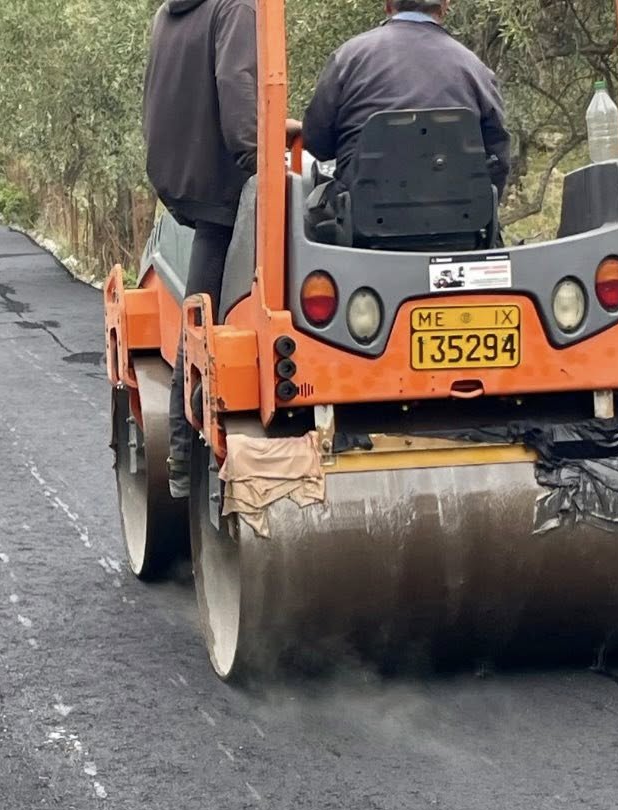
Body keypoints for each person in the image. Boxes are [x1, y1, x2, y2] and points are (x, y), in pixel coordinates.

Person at [143, 0, 300, 498]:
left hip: (186, 178)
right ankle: (185, 458)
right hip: (223, 188)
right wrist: (264, 157)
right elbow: (237, 90)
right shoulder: (235, 5)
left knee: (200, 307)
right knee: (205, 323)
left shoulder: (169, 14)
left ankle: (183, 457)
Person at [303, 0, 510, 202]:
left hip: (360, 218)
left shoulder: (348, 58)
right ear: (445, 6)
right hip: (459, 220)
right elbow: (497, 157)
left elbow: (318, 144)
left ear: (388, 4)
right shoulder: (475, 69)